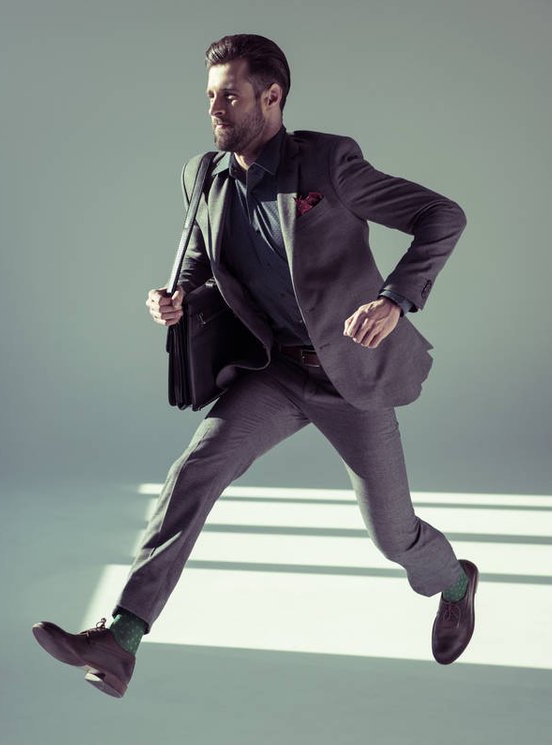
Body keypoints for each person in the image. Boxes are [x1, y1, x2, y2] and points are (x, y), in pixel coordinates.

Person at [33, 33, 478, 698]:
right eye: (210, 95)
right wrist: (175, 299)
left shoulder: (328, 165)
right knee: (196, 469)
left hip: (347, 377)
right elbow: (201, 260)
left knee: (395, 535)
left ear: (271, 97)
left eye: (230, 95)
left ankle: (455, 582)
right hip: (275, 371)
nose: (216, 108)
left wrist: (394, 299)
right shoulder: (202, 175)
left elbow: (441, 215)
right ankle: (121, 638)